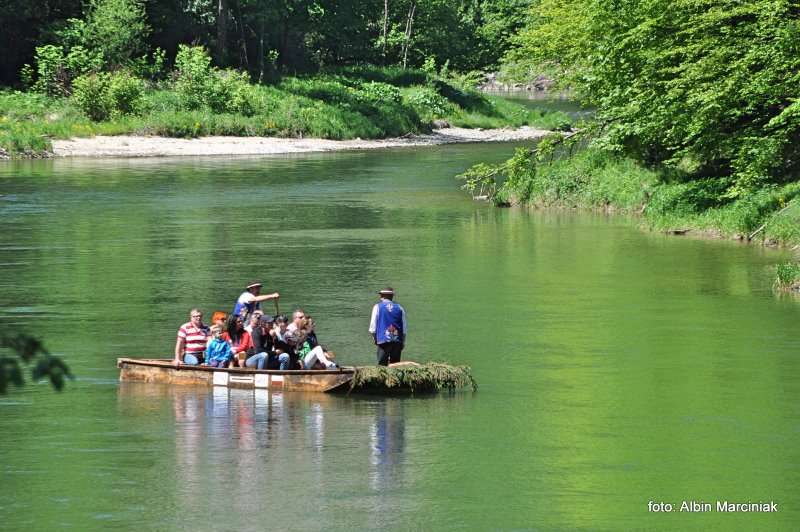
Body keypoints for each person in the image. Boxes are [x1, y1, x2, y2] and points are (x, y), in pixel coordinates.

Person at [368, 287, 407, 366]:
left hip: (383, 341)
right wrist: (402, 342)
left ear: (382, 296)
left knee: (382, 367)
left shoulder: (377, 307)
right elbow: (404, 330)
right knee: (395, 366)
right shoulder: (400, 308)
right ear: (392, 296)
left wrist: (375, 339)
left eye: (381, 295)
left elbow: (372, 328)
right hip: (397, 341)